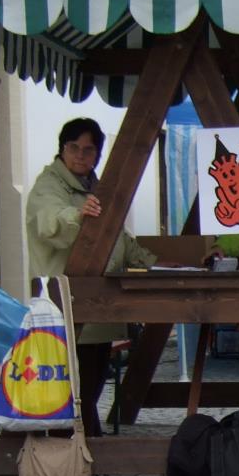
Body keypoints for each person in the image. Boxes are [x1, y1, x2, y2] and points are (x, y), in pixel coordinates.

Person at [25, 117, 156, 442]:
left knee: (90, 385)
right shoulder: (49, 185)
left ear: (97, 154)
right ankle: (72, 451)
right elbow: (49, 223)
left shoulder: (94, 187)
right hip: (65, 309)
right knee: (72, 389)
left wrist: (154, 263)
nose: (81, 156)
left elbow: (118, 238)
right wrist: (77, 214)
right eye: (74, 148)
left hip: (97, 311)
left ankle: (85, 446)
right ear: (62, 149)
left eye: (89, 150)